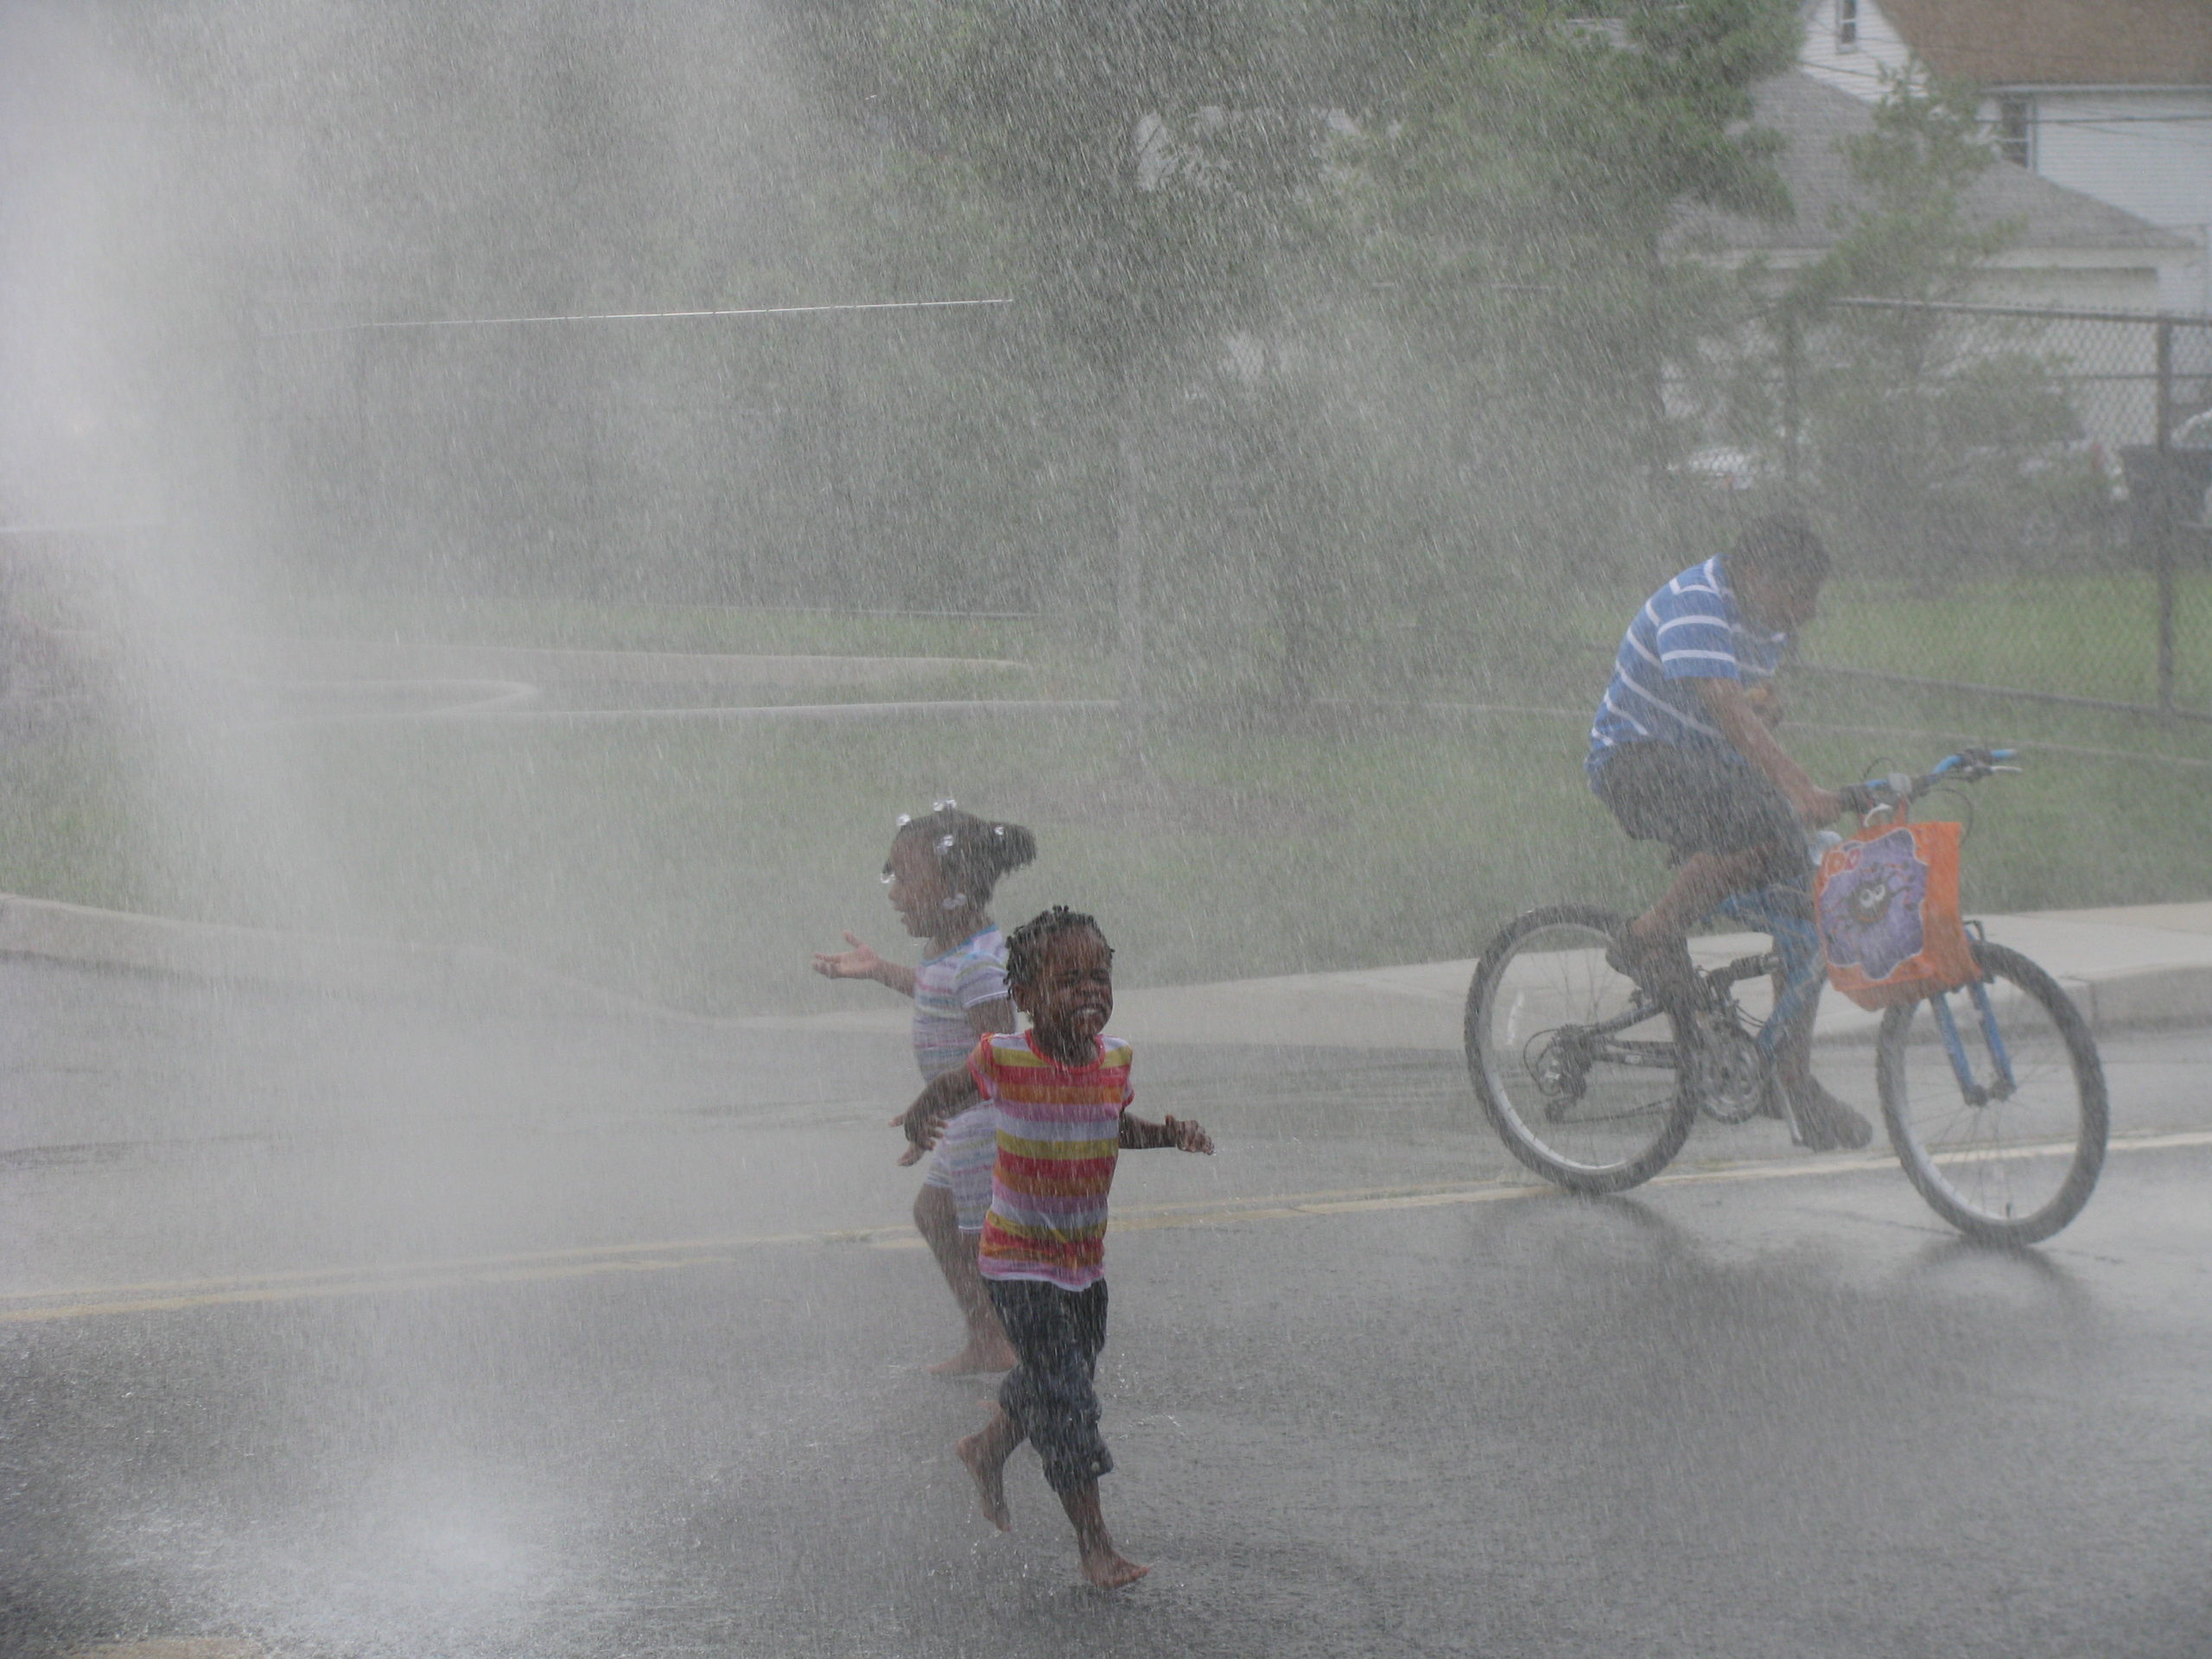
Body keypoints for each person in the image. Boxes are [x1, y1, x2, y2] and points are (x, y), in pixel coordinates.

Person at [897, 906, 1213, 1590]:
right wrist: (923, 1119)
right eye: (1069, 980)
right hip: (1017, 1266)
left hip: (1082, 1270)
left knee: (1054, 1379)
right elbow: (950, 1087)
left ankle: (986, 1448)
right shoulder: (1005, 1059)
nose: (1090, 991)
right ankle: (1094, 1545)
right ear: (1025, 998)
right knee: (1068, 1401)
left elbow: (1109, 1126)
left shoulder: (1115, 1062)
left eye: (1100, 975)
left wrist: (1167, 1135)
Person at [1586, 513, 1871, 1151]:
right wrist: (1797, 786)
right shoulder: (1697, 602)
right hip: (1634, 764)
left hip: (1700, 768)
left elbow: (1751, 705)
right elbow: (1724, 704)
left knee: (1808, 901)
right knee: (1768, 826)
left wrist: (1767, 713)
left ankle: (1788, 1081)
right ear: (1754, 575)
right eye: (1800, 595)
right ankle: (1647, 938)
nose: (1809, 612)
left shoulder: (1765, 623)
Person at [813, 803, 1038, 1374]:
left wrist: (939, 1104)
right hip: (960, 1118)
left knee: (980, 1244)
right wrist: (879, 969)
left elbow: (999, 1049)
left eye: (906, 878)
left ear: (957, 885)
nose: (893, 892)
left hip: (983, 1121)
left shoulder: (982, 965)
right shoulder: (952, 951)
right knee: (936, 1216)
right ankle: (990, 1340)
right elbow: (933, 990)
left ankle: (1023, 1365)